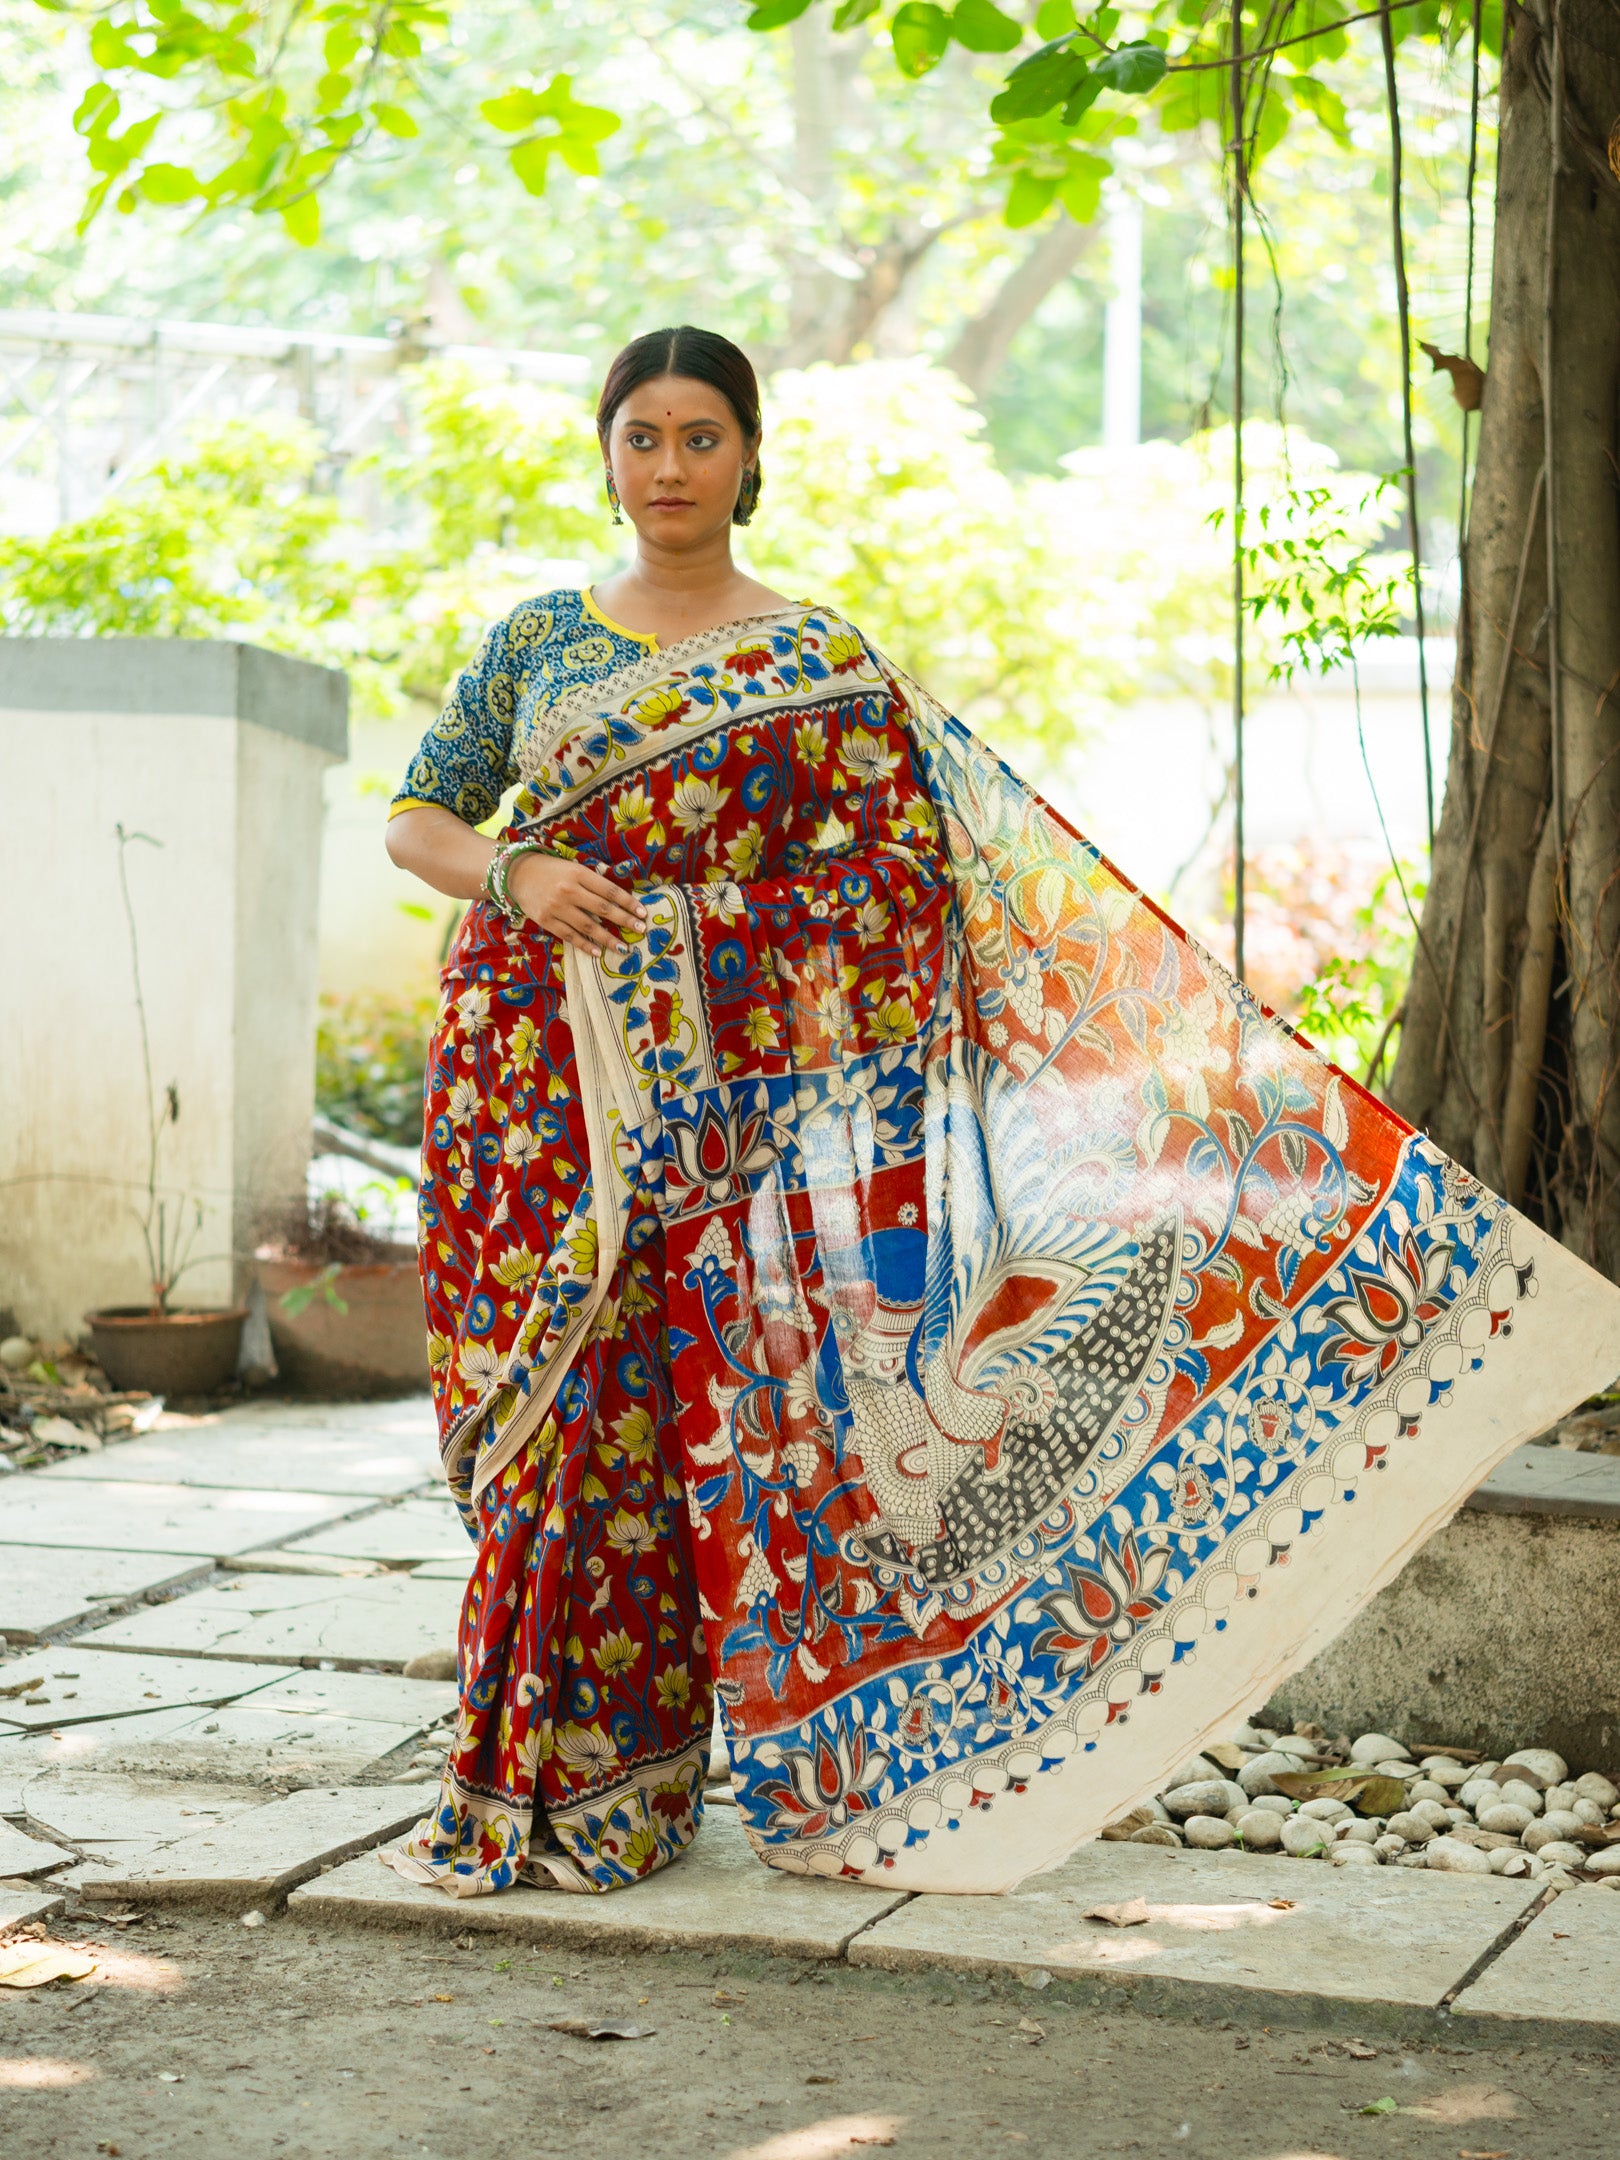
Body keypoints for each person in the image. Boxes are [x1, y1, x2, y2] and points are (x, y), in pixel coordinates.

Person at [382, 325, 1618, 1899]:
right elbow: (422, 816)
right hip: (530, 1099)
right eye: (642, 436)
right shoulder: (537, 641)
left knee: (678, 1427)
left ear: (752, 460)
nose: (670, 468)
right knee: (561, 1433)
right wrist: (518, 872)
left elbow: (902, 895)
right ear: (603, 450)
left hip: (731, 1133)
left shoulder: (819, 660)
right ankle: (531, 1794)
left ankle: (641, 1788)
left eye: (702, 438)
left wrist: (694, 955)